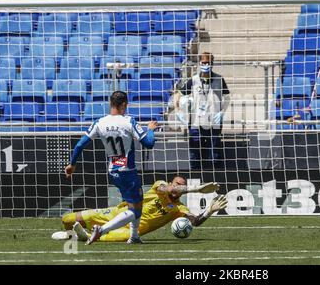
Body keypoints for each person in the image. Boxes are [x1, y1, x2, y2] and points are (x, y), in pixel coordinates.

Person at [64, 91, 158, 245]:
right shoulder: (129, 122)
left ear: (110, 104)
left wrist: (72, 164)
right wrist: (151, 129)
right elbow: (149, 143)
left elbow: (80, 145)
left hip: (112, 170)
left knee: (134, 203)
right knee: (136, 210)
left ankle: (134, 237)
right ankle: (101, 230)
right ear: (124, 105)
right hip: (127, 170)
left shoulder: (99, 122)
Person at [53, 176, 227, 242]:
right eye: (177, 184)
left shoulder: (179, 209)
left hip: (131, 230)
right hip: (117, 212)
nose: (179, 187)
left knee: (106, 237)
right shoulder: (160, 186)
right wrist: (196, 188)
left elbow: (195, 222)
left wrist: (208, 212)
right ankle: (73, 234)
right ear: (171, 183)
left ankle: (83, 237)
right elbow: (168, 189)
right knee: (67, 219)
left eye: (183, 186)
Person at [177, 52, 230, 170]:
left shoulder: (219, 79)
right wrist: (179, 111)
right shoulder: (193, 80)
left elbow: (227, 97)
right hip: (196, 123)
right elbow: (178, 95)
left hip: (214, 123)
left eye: (208, 63)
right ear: (199, 64)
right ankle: (195, 180)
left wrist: (222, 112)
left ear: (212, 64)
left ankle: (215, 179)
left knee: (214, 154)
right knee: (195, 154)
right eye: (204, 63)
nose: (206, 65)